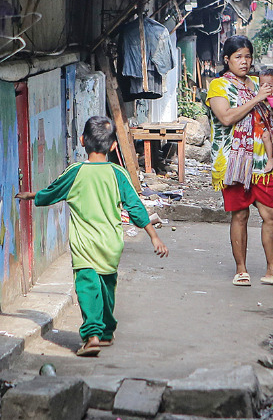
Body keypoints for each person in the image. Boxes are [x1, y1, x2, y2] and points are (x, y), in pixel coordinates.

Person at [17, 115, 168, 357]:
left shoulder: (75, 172)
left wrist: (32, 196)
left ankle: (92, 336)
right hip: (111, 244)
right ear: (113, 146)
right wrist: (154, 237)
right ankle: (106, 333)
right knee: (107, 289)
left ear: (81, 141)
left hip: (85, 245)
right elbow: (136, 207)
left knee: (87, 289)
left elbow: (52, 192)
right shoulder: (118, 174)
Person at [206, 36, 273, 289]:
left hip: (262, 161)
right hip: (235, 161)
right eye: (238, 57)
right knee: (241, 214)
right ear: (227, 59)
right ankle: (241, 269)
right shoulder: (219, 86)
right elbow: (225, 118)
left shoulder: (259, 83)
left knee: (272, 214)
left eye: (247, 56)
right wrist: (258, 98)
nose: (244, 62)